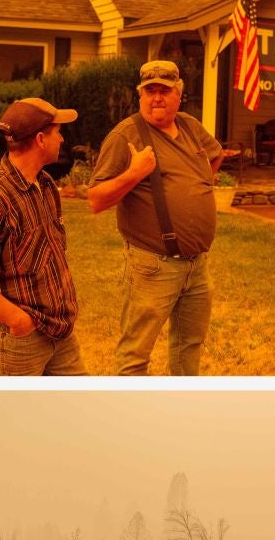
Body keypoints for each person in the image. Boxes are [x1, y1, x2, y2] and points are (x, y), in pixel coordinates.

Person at [88, 60, 223, 375]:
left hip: (197, 264)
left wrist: (198, 184)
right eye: (150, 91)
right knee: (135, 353)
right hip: (153, 265)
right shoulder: (127, 134)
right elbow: (95, 199)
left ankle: (181, 410)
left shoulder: (190, 126)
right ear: (140, 95)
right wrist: (134, 175)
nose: (157, 98)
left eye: (165, 90)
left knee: (188, 345)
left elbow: (215, 156)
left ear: (179, 95)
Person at [0, 97, 86, 375]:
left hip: (59, 331)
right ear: (40, 139)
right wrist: (18, 321)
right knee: (14, 416)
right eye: (57, 132)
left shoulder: (45, 185)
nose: (61, 139)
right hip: (19, 340)